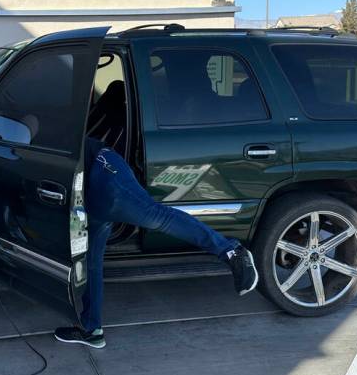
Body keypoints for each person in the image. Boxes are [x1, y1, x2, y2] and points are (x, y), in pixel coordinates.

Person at [54, 138, 259, 349]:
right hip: (87, 192)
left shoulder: (35, 113)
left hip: (103, 170)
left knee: (158, 217)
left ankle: (231, 251)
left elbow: (30, 126)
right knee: (91, 262)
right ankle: (92, 330)